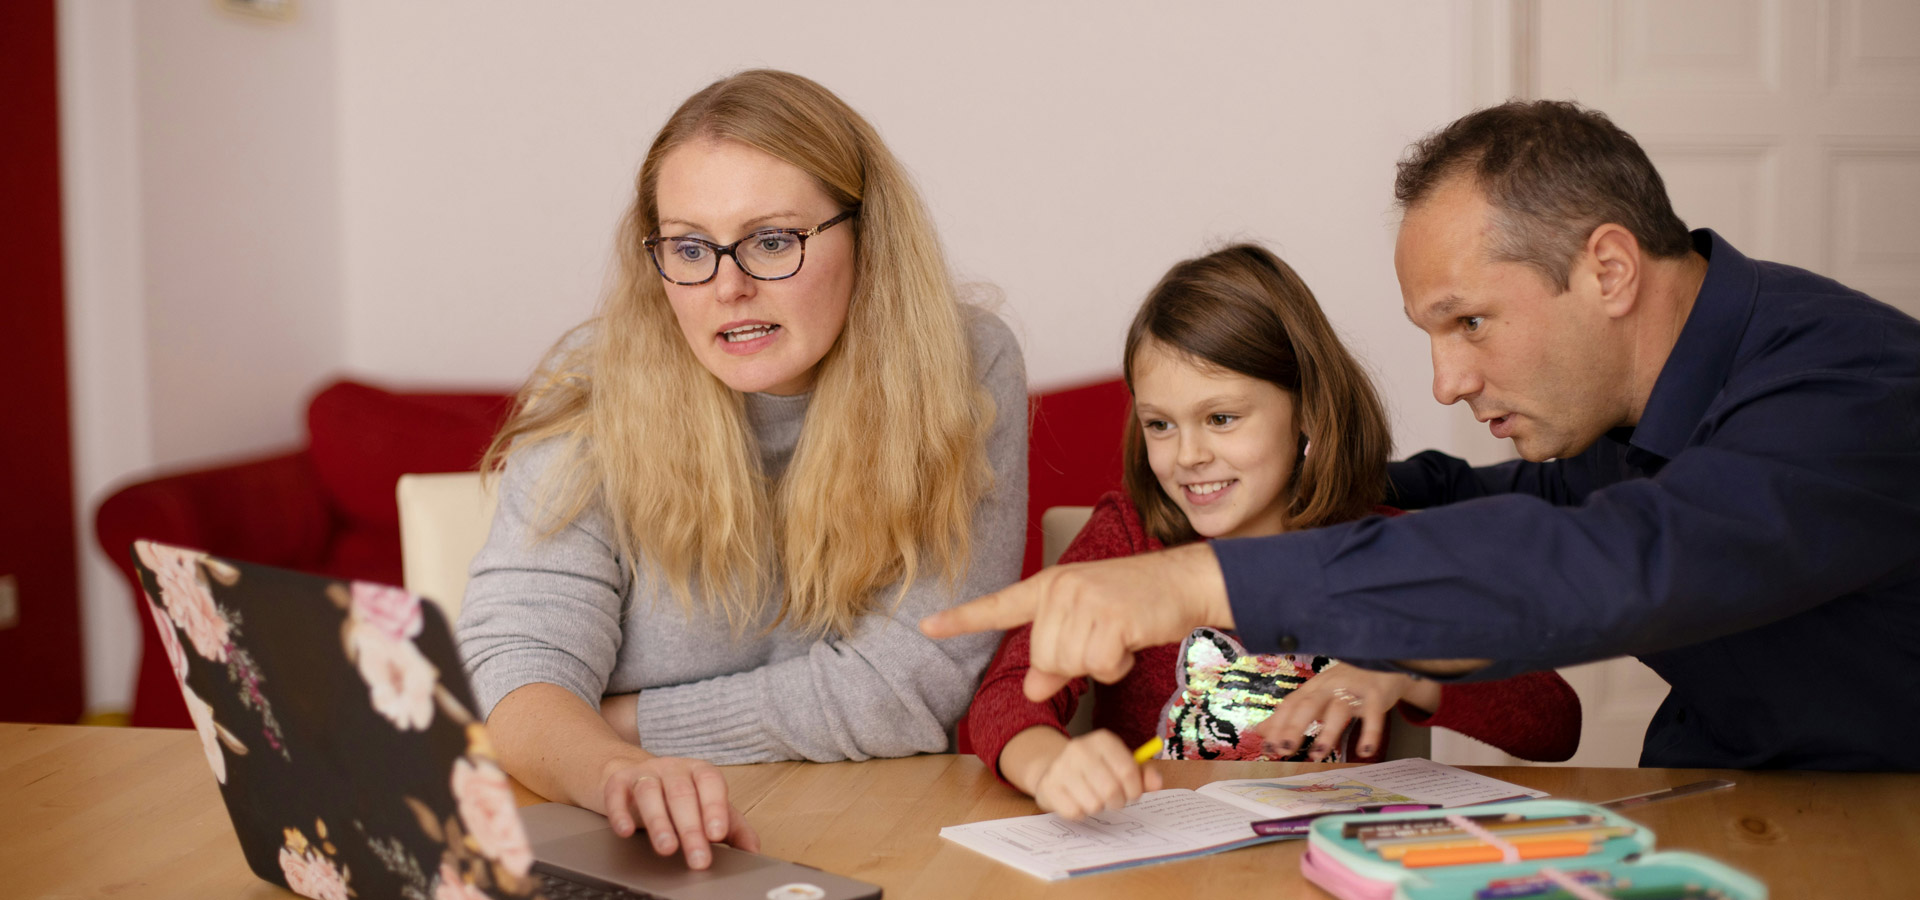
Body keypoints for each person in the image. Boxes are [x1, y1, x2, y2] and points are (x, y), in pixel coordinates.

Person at [925, 100, 1920, 772]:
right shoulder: (1618, 413)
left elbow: (1619, 559)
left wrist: (1199, 582)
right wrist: (1282, 497)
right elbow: (1475, 501)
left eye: (1470, 321)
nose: (1448, 381)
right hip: (1724, 802)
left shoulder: (1853, 389)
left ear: (1609, 271)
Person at [457, 70, 1026, 870]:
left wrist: (617, 722)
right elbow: (514, 674)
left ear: (868, 236)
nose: (727, 286)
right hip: (622, 838)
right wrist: (615, 767)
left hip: (873, 835)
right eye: (690, 247)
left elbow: (914, 688)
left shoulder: (965, 365)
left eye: (771, 240)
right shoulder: (596, 390)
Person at [967, 245, 1580, 820]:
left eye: (1221, 418)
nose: (1189, 455)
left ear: (1308, 411)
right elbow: (1003, 697)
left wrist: (1411, 668)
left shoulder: (1384, 552)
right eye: (1160, 424)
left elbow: (1555, 723)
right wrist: (1050, 763)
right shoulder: (1127, 537)